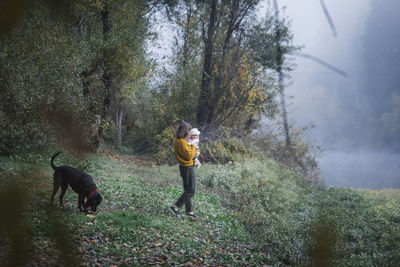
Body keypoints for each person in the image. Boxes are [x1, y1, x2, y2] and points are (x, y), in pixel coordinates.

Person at [170, 121, 198, 218]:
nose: (190, 133)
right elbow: (189, 155)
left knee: (187, 189)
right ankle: (175, 207)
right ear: (185, 131)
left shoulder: (182, 141)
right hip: (187, 167)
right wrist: (194, 147)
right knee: (191, 190)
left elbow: (191, 153)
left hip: (186, 166)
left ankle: (189, 211)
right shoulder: (181, 142)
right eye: (189, 131)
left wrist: (194, 149)